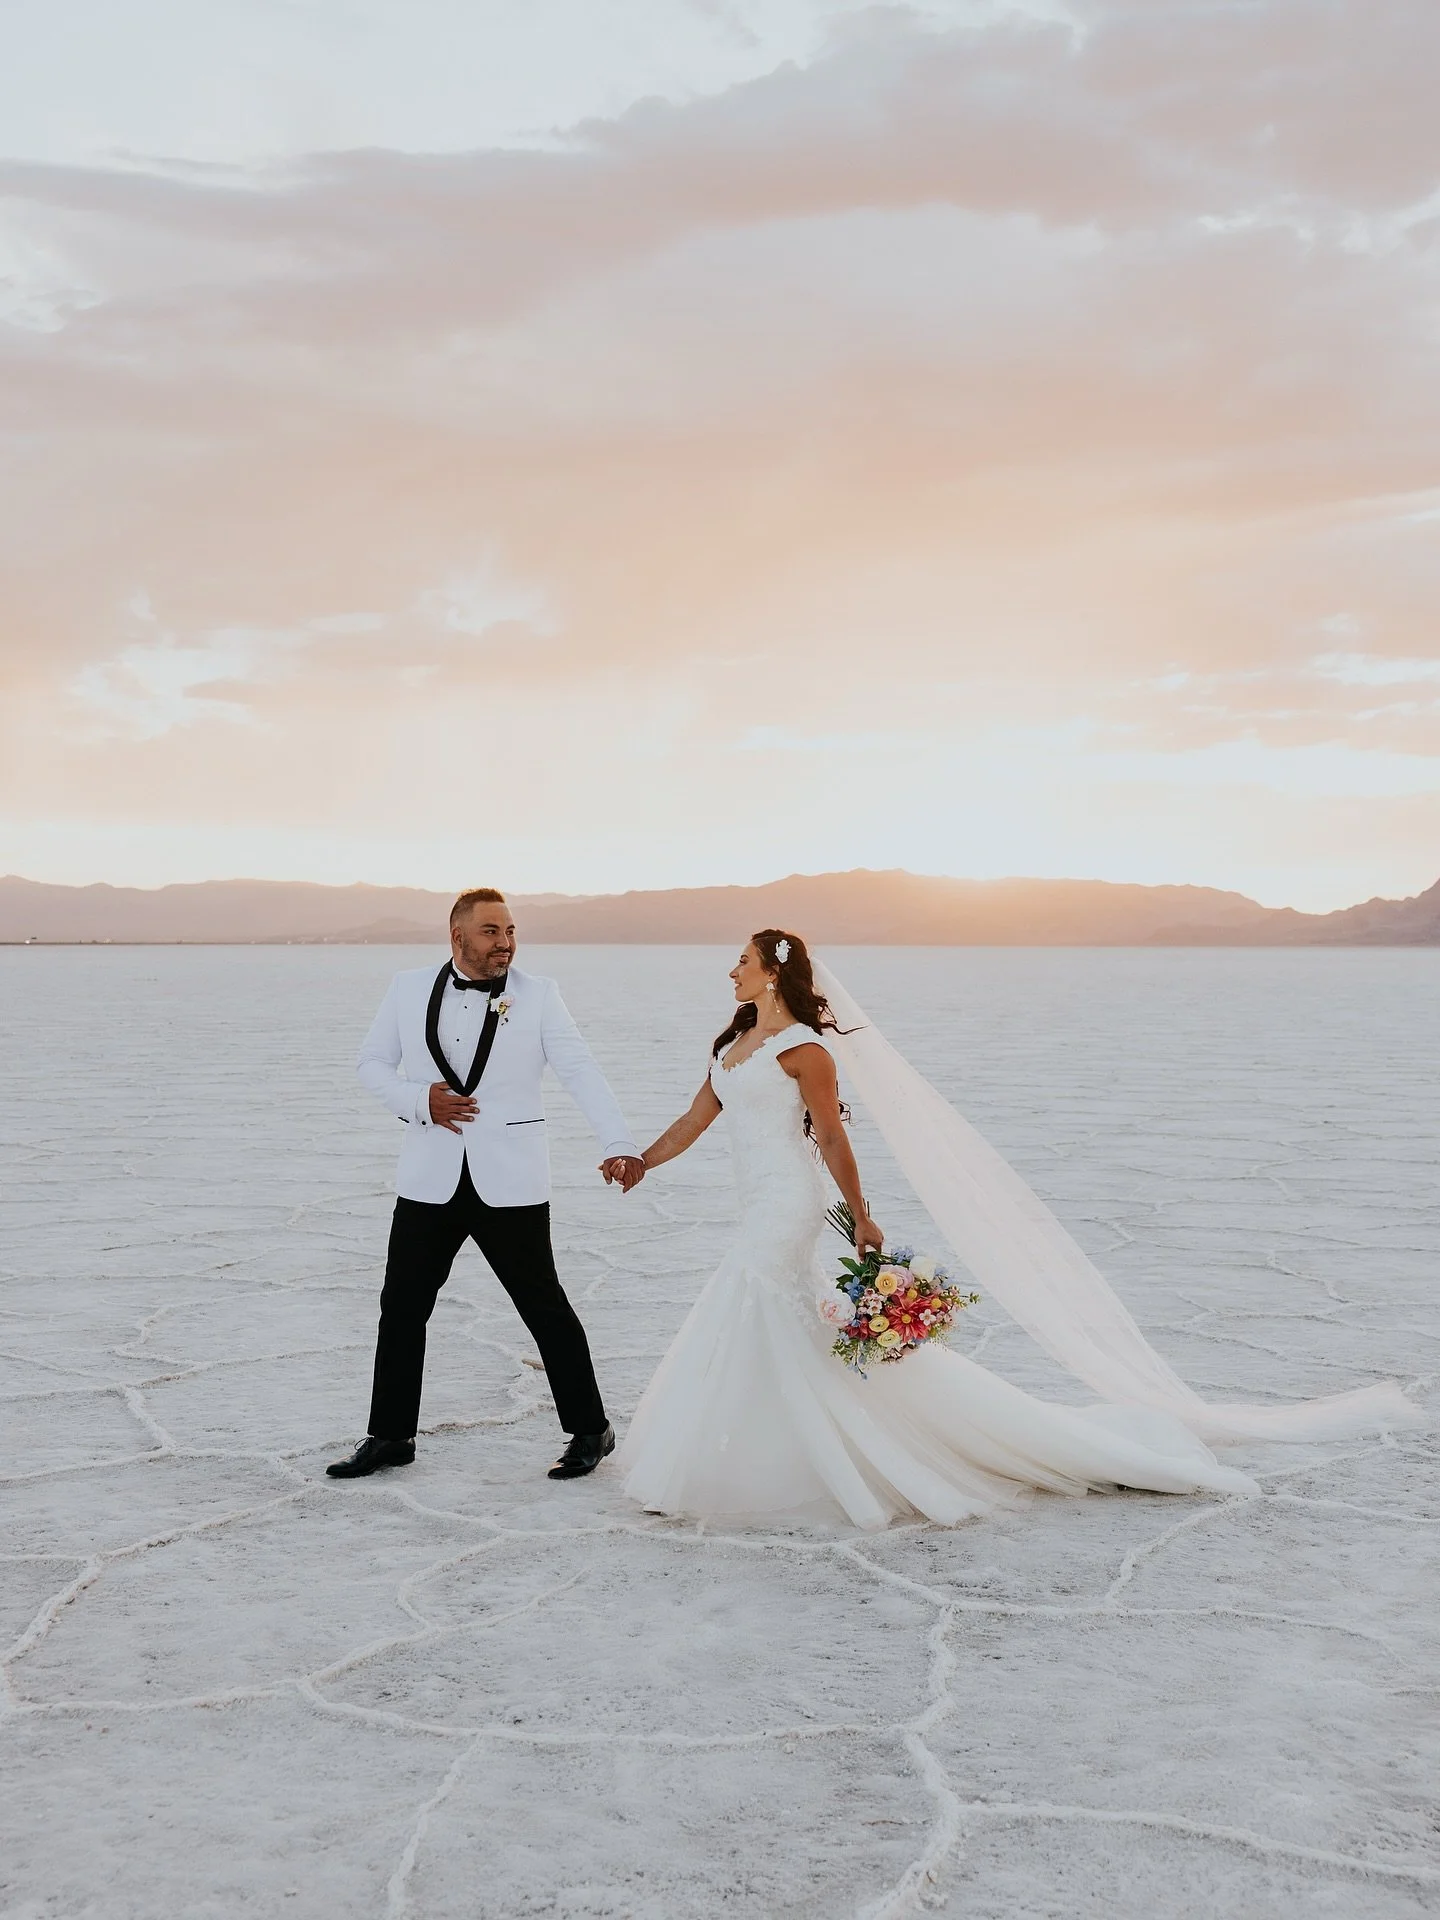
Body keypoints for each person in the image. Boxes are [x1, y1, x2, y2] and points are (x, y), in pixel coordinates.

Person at [616, 930, 1421, 1529]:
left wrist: (861, 1213)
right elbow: (695, 1119)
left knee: (757, 1298)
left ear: (772, 971)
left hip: (786, 1202)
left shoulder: (804, 1052)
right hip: (751, 1197)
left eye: (742, 959)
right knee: (769, 1315)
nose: (730, 969)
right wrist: (643, 1163)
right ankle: (769, 1457)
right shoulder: (734, 1042)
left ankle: (794, 1468)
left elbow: (831, 1139)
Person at [328, 888, 644, 1482]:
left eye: (510, 930)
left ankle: (590, 1429)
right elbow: (371, 1064)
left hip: (511, 1180)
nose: (506, 942)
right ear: (458, 938)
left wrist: (618, 1143)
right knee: (401, 1308)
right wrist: (419, 1101)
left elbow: (580, 1070)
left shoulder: (540, 996)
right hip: (430, 1177)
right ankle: (391, 1435)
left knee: (543, 1306)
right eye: (492, 932)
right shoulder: (406, 988)